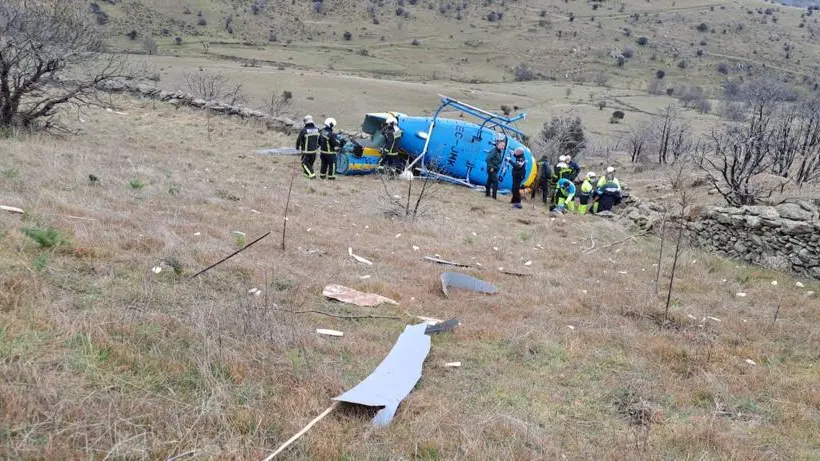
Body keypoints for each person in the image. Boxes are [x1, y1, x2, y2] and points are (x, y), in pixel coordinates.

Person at [296, 115, 320, 179]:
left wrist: (297, 146)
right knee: (310, 164)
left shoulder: (304, 130)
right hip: (314, 152)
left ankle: (312, 176)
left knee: (304, 163)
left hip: (306, 152)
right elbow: (320, 140)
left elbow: (299, 139)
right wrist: (317, 146)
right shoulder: (317, 130)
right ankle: (307, 176)